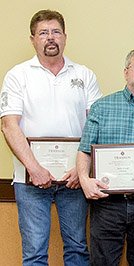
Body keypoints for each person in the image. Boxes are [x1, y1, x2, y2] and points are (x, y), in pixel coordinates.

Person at [0, 9, 102, 265]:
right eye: (43, 33)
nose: (50, 38)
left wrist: (81, 169)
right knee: (34, 252)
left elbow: (95, 125)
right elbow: (9, 126)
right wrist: (34, 169)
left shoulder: (84, 75)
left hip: (74, 180)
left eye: (56, 31)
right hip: (30, 180)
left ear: (65, 37)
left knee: (78, 248)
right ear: (32, 39)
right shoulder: (17, 75)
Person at [76, 48, 134, 265]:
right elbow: (84, 150)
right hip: (107, 204)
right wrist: (84, 179)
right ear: (126, 72)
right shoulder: (102, 107)